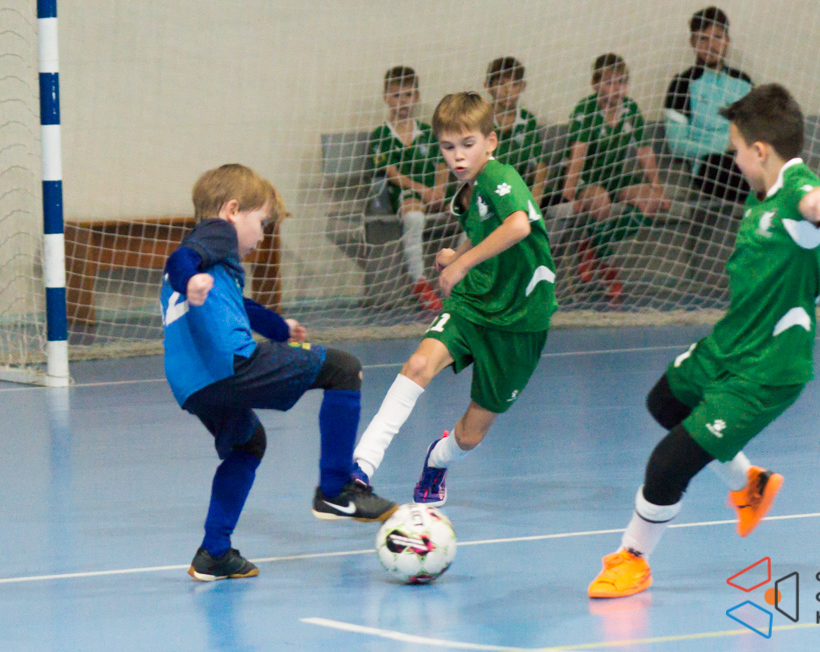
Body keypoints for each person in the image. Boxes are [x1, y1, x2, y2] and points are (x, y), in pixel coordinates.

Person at [587, 84, 820, 598]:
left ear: (760, 151)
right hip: (729, 347)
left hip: (765, 371)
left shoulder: (798, 191)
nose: (732, 159)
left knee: (667, 465)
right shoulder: (763, 194)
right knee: (665, 402)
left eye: (735, 149)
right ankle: (750, 483)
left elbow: (810, 203)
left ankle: (633, 559)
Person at [160, 164, 397, 582]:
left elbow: (241, 306)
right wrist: (189, 279)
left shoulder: (214, 264)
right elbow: (182, 259)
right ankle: (336, 490)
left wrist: (279, 328)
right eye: (262, 223)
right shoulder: (216, 235)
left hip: (193, 387)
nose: (263, 236)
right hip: (231, 364)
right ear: (232, 210)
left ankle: (215, 552)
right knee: (344, 369)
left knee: (248, 444)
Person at [350, 92, 557, 506]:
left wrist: (461, 263)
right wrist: (458, 254)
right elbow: (485, 231)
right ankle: (360, 468)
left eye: (468, 144)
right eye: (448, 147)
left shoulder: (499, 175)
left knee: (469, 435)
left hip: (521, 321)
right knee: (418, 364)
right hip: (475, 302)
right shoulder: (466, 193)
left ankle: (438, 460)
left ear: (490, 142)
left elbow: (517, 225)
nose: (458, 156)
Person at [562, 54, 671, 302]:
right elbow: (578, 152)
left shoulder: (630, 108)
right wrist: (570, 191)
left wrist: (658, 188)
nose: (617, 89)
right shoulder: (585, 110)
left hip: (615, 177)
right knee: (601, 203)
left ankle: (592, 243)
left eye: (622, 82)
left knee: (651, 201)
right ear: (595, 84)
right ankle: (609, 266)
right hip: (588, 180)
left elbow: (644, 151)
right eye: (610, 83)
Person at [664, 6, 754, 246]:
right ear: (693, 43)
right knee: (729, 166)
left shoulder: (743, 82)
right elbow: (677, 145)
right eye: (703, 38)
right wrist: (723, 146)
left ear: (727, 41)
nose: (711, 45)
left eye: (717, 37)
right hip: (708, 167)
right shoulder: (682, 84)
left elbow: (757, 132)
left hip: (743, 162)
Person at [369, 66, 450, 311]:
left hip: (434, 192)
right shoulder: (381, 134)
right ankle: (420, 283)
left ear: (417, 96)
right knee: (414, 217)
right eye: (396, 95)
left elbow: (442, 165)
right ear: (386, 97)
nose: (403, 101)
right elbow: (392, 174)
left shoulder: (428, 131)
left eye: (408, 95)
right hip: (405, 193)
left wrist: (440, 190)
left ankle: (463, 279)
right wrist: (424, 191)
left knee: (471, 211)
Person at [484, 57, 548, 207]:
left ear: (522, 86)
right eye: (501, 84)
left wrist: (537, 193)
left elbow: (539, 164)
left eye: (514, 84)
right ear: (488, 86)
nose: (508, 91)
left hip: (520, 192)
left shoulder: (527, 120)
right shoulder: (478, 119)